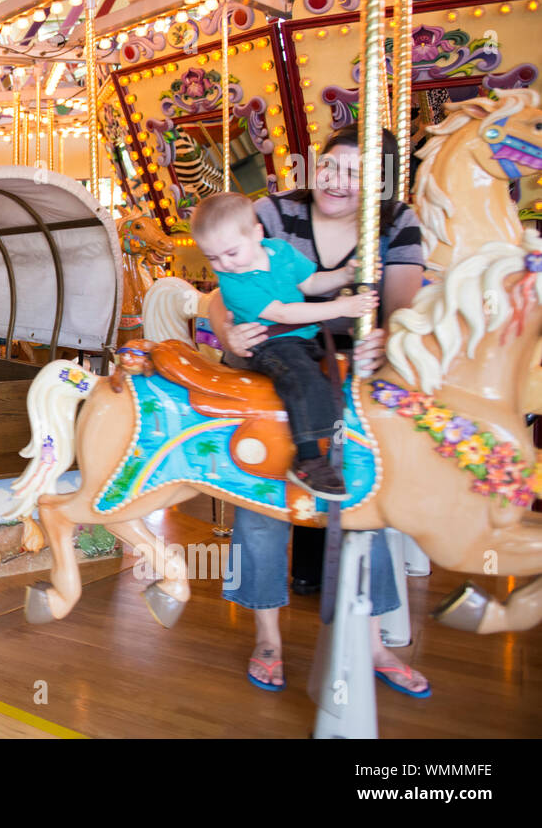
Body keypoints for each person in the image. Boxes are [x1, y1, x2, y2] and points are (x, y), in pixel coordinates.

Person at [209, 125, 429, 696]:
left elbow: (402, 303)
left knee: (369, 491)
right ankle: (267, 635)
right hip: (274, 359)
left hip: (352, 367)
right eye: (331, 167)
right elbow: (221, 289)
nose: (337, 181)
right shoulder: (273, 213)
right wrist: (228, 335)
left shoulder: (395, 221)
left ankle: (375, 637)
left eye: (356, 173)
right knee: (262, 491)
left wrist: (385, 336)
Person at [191, 192, 378, 498]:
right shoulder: (233, 283)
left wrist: (346, 275)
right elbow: (281, 312)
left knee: (339, 378)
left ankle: (338, 447)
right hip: (271, 344)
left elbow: (311, 283)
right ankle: (308, 461)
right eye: (213, 258)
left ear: (257, 234)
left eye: (231, 253)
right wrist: (342, 308)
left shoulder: (279, 251)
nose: (223, 264)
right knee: (302, 379)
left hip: (304, 339)